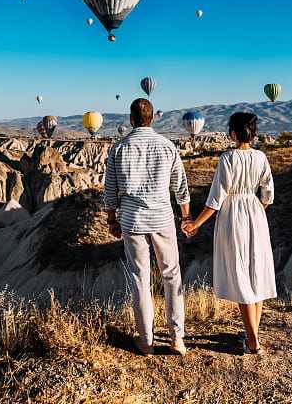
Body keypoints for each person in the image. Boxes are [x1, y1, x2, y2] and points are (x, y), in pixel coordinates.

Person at [182, 112, 276, 354]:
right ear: (253, 133)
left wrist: (195, 224)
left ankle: (253, 340)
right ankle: (252, 335)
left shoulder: (227, 159)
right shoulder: (261, 157)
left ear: (233, 133)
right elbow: (268, 194)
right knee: (256, 272)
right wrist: (255, 208)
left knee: (241, 274)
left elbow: (215, 199)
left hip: (233, 215)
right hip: (255, 213)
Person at [103, 98, 191, 355]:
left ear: (131, 119)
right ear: (153, 118)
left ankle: (147, 341)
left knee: (140, 280)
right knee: (172, 275)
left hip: (132, 221)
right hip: (162, 218)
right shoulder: (167, 147)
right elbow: (181, 187)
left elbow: (110, 192)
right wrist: (185, 217)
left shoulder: (118, 149)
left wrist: (112, 220)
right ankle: (177, 338)